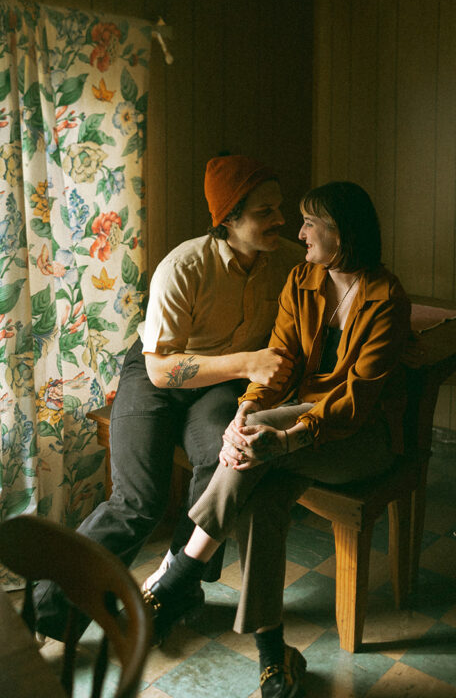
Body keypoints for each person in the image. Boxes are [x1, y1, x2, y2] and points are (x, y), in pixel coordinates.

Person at [142, 181, 410, 698]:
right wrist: (244, 413)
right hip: (296, 432)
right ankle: (274, 656)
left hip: (357, 442)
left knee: (260, 438)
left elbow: (354, 404)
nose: (300, 231)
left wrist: (281, 438)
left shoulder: (387, 298)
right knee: (261, 496)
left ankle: (180, 576)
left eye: (312, 223)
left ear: (342, 234)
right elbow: (279, 362)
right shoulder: (302, 279)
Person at [33, 153, 303, 640]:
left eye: (280, 208)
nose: (281, 220)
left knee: (221, 462)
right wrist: (247, 362)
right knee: (138, 501)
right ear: (230, 218)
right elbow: (160, 369)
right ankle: (45, 611)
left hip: (220, 388)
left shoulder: (286, 263)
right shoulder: (184, 266)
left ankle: (177, 588)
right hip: (157, 373)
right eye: (266, 212)